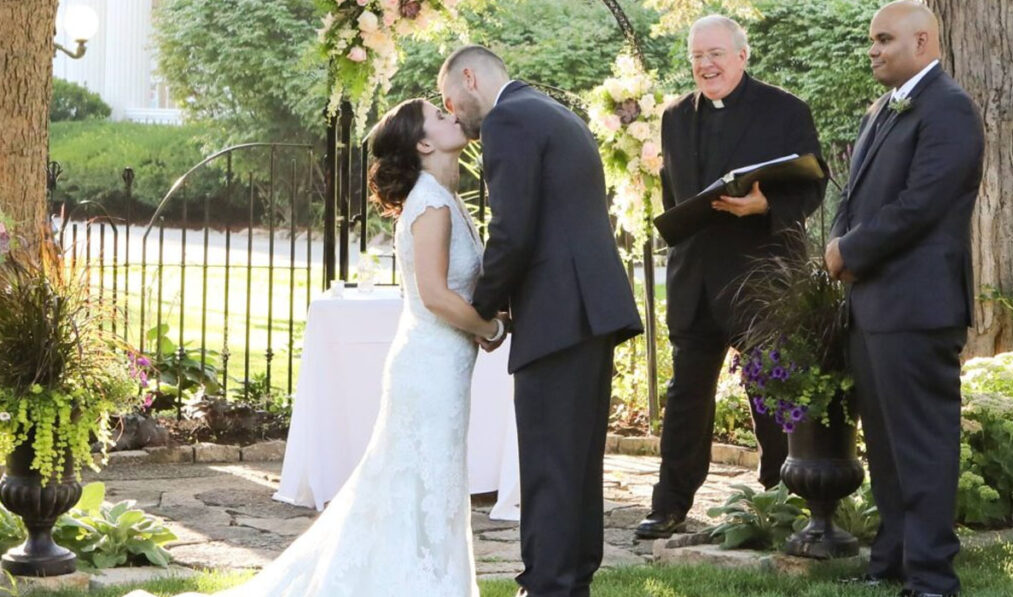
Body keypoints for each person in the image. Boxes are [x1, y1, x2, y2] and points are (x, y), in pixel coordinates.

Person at [128, 99, 504, 597]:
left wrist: (482, 320)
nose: (451, 114)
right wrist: (491, 328)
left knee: (418, 484)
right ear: (424, 143)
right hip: (430, 366)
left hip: (441, 362)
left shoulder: (443, 196)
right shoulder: (432, 203)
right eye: (438, 114)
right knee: (418, 483)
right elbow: (435, 296)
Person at [438, 46, 643, 597]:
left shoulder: (509, 118)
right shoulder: (550, 111)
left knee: (551, 462)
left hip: (560, 314)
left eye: (451, 101)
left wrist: (482, 311)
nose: (454, 115)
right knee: (575, 459)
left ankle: (549, 584)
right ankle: (572, 577)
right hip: (586, 310)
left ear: (470, 78)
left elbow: (513, 230)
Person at [635, 14, 825, 540]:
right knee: (686, 397)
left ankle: (783, 497)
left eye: (715, 53)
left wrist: (766, 206)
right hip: (695, 281)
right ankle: (670, 503)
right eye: (697, 56)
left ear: (743, 56)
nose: (705, 64)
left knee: (770, 391)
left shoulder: (786, 110)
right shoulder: (674, 116)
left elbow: (813, 186)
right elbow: (677, 195)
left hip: (760, 277)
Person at [827, 2, 983, 596]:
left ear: (923, 41)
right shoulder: (882, 110)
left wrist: (850, 250)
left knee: (921, 446)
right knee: (887, 449)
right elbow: (858, 197)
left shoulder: (949, 109)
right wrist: (840, 241)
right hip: (874, 308)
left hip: (918, 309)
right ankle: (890, 560)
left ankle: (932, 576)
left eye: (884, 40)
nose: (873, 49)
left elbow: (923, 205)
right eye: (872, 40)